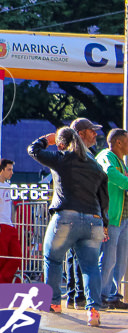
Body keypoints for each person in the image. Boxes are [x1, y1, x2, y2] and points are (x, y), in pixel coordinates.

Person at [28, 127, 109, 327]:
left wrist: (46, 140)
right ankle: (94, 310)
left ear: (61, 143)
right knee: (91, 267)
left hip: (66, 216)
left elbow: (33, 150)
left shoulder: (62, 158)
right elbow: (103, 198)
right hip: (94, 218)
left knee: (52, 258)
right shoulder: (95, 165)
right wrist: (104, 224)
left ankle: (54, 303)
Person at [64, 117, 102, 308]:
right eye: (91, 130)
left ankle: (76, 295)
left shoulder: (87, 155)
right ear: (80, 134)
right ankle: (76, 296)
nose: (95, 134)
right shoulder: (74, 156)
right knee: (79, 256)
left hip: (83, 212)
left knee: (77, 256)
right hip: (77, 212)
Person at [96, 129, 128, 309]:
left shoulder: (121, 162)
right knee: (108, 258)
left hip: (123, 217)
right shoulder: (106, 156)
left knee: (121, 260)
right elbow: (109, 173)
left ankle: (114, 295)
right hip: (112, 217)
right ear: (118, 142)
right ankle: (103, 295)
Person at [0, 159, 20, 285]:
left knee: (17, 256)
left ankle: (1, 279)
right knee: (1, 256)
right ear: (2, 170)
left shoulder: (7, 185)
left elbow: (10, 206)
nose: (11, 172)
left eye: (12, 169)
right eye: (9, 169)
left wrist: (13, 223)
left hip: (9, 225)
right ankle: (0, 282)